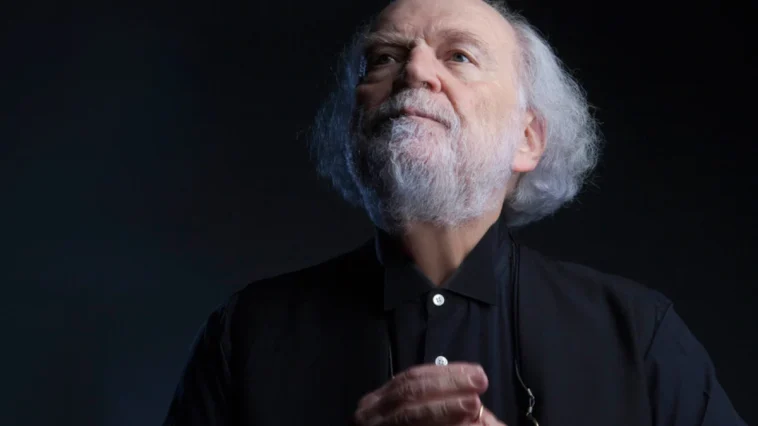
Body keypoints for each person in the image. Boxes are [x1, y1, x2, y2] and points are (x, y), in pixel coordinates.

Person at [163, 0, 747, 424]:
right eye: (384, 57)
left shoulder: (638, 334)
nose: (415, 71)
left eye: (459, 56)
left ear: (527, 139)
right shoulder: (247, 333)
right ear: (352, 127)